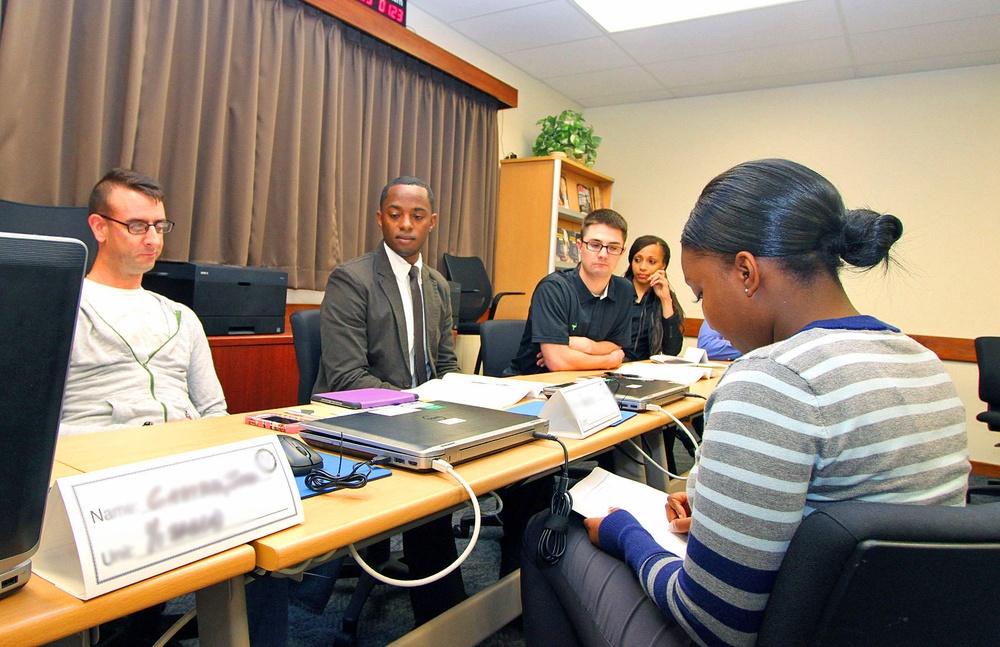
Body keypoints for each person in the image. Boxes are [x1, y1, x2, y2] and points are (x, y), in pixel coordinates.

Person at [520, 158, 970, 647]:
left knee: (549, 529)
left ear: (746, 272)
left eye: (702, 291)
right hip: (888, 623)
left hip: (771, 632)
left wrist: (626, 534)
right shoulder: (922, 360)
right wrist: (731, 516)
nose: (706, 311)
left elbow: (716, 622)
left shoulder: (769, 380)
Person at [311, 175, 466, 626]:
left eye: (417, 216)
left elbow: (445, 362)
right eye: (395, 214)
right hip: (359, 419)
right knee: (433, 493)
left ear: (431, 223)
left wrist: (463, 395)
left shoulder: (437, 285)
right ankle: (448, 626)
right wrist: (421, 403)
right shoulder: (351, 279)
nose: (405, 224)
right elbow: (345, 378)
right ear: (380, 218)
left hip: (419, 417)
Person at [59, 168, 227, 436]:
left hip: (184, 453)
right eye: (137, 226)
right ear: (100, 228)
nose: (152, 240)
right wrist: (141, 437)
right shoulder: (64, 309)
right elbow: (31, 428)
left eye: (159, 227)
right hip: (100, 458)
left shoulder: (181, 316)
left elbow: (215, 411)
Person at [506, 208, 634, 375]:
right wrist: (609, 360)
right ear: (580, 246)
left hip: (586, 382)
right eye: (595, 245)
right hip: (534, 384)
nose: (603, 254)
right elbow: (558, 362)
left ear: (622, 252)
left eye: (613, 247)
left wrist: (588, 347)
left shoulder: (624, 289)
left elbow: (616, 345)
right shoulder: (553, 288)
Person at [623, 234, 684, 360]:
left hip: (644, 369)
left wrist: (666, 300)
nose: (642, 267)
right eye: (637, 260)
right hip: (610, 365)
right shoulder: (617, 290)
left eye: (651, 262)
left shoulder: (665, 297)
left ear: (663, 265)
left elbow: (672, 351)